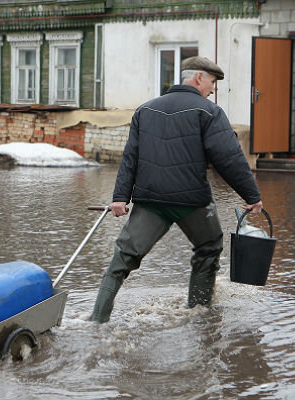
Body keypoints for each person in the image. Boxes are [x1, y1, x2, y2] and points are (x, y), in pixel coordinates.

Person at [90, 56, 263, 323]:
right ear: (198, 78)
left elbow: (130, 158)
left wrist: (120, 199)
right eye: (212, 83)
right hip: (191, 202)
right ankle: (199, 314)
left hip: (150, 202)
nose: (212, 90)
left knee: (121, 260)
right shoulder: (209, 112)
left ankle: (96, 322)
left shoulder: (145, 110)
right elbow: (229, 158)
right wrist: (252, 196)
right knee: (208, 246)